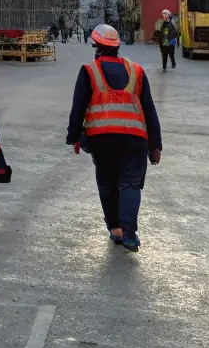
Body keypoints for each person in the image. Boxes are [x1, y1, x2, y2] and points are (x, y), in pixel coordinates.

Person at [65, 23, 162, 252]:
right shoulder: (137, 70)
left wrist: (74, 136)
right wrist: (155, 144)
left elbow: (78, 106)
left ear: (97, 47)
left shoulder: (89, 70)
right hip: (135, 138)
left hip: (102, 139)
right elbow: (149, 109)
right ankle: (130, 235)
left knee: (108, 183)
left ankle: (115, 229)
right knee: (130, 184)